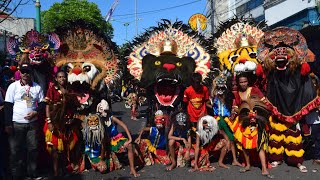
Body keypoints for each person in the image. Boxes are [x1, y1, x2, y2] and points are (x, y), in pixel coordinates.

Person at [4, 63, 46, 180]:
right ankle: (16, 175)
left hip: (32, 124)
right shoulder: (13, 86)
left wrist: (35, 112)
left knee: (33, 149)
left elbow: (42, 103)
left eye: (27, 71)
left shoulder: (37, 87)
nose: (25, 74)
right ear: (20, 73)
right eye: (23, 71)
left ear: (31, 72)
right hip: (17, 123)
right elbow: (8, 105)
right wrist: (8, 124)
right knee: (16, 150)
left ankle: (31, 173)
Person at [43, 70, 79, 177]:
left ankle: (64, 168)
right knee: (55, 148)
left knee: (66, 146)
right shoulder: (51, 90)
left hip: (67, 123)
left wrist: (72, 117)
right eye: (59, 77)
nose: (62, 79)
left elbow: (73, 106)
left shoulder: (69, 89)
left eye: (63, 77)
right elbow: (47, 106)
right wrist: (49, 121)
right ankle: (55, 171)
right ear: (56, 78)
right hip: (54, 122)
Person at [93, 99, 140, 177]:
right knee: (103, 168)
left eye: (106, 111)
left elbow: (124, 126)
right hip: (104, 142)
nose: (105, 113)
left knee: (130, 145)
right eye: (103, 111)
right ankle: (103, 159)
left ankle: (132, 169)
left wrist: (130, 139)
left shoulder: (111, 117)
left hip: (116, 138)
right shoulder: (97, 120)